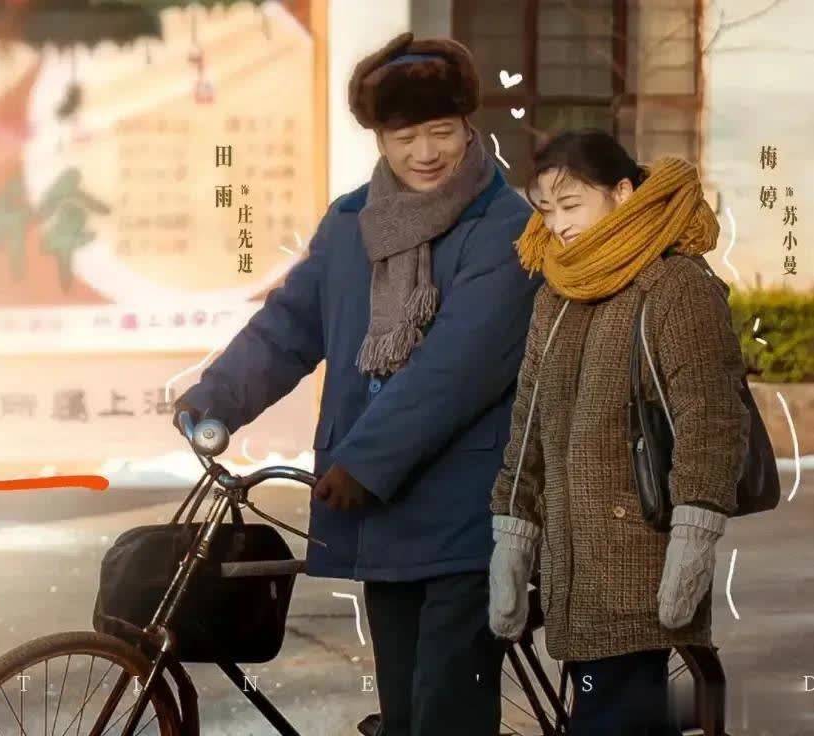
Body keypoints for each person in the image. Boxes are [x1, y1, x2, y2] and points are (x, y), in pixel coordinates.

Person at [174, 32, 540, 736]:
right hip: (382, 507)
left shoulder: (506, 228)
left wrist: (364, 463)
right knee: (403, 710)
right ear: (379, 137)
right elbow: (290, 325)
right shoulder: (351, 222)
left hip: (470, 506)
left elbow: (456, 369)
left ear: (468, 126)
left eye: (441, 131)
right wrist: (215, 399)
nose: (425, 152)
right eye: (405, 136)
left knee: (446, 713)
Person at [487, 129, 750, 735]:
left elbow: (710, 421)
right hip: (570, 564)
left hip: (643, 561)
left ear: (623, 193)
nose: (558, 225)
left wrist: (693, 543)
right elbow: (528, 424)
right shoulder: (558, 294)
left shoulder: (675, 286)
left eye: (571, 205)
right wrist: (513, 536)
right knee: (612, 713)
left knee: (613, 715)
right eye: (546, 210)